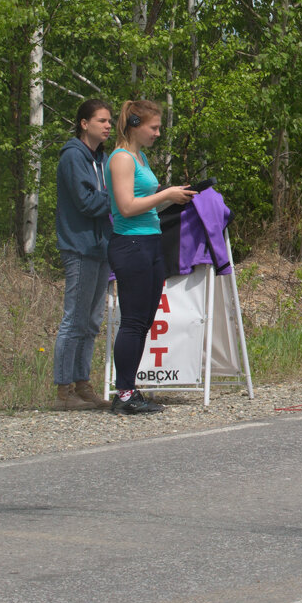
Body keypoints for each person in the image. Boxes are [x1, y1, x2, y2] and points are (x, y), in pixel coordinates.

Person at [105, 100, 196, 415]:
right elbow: (126, 207)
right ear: (134, 125)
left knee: (143, 322)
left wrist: (175, 199)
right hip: (131, 245)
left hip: (150, 242)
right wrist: (166, 194)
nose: (157, 133)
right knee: (131, 321)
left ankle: (130, 389)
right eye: (153, 127)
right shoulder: (121, 159)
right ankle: (124, 393)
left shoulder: (140, 157)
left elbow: (146, 205)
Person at [52, 99, 114, 410]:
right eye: (102, 120)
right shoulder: (73, 157)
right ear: (84, 124)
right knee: (74, 318)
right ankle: (64, 389)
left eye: (110, 121)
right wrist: (120, 198)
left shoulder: (101, 159)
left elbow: (98, 199)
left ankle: (82, 383)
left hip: (101, 247)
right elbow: (87, 203)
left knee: (91, 320)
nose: (107, 126)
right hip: (79, 246)